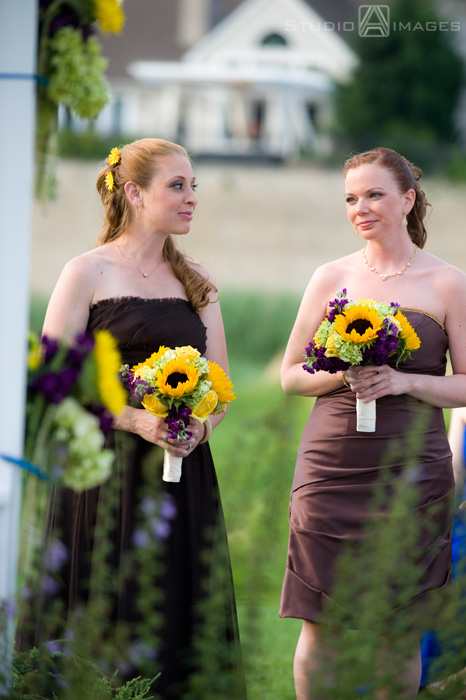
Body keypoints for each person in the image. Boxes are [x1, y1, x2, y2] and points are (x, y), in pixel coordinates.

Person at [17, 138, 246, 699]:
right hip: (102, 471)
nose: (192, 198)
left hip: (182, 474)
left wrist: (200, 427)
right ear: (134, 193)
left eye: (195, 186)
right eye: (178, 186)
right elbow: (57, 383)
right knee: (101, 605)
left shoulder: (199, 282)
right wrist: (134, 421)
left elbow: (219, 385)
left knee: (173, 603)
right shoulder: (87, 273)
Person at [278, 147, 466, 699]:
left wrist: (406, 382)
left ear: (407, 200)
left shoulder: (447, 284)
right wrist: (342, 371)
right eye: (350, 198)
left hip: (414, 471)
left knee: (399, 628)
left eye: (374, 194)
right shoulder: (330, 277)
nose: (360, 207)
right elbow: (291, 375)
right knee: (321, 622)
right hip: (331, 467)